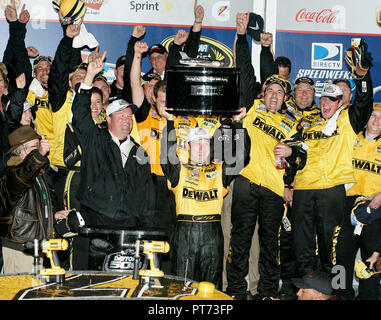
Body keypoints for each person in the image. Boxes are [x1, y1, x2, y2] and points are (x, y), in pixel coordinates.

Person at [225, 13, 307, 300]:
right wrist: (244, 37)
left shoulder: (291, 124)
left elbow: (301, 160)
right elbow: (246, 70)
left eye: (279, 92)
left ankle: (268, 292)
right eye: (270, 90)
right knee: (240, 239)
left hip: (273, 189)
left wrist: (292, 152)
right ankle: (235, 290)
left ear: (286, 98)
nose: (274, 95)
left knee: (271, 244)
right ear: (264, 93)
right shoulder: (252, 108)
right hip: (247, 183)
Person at [292, 40, 374, 279]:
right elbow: (295, 153)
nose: (326, 103)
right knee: (302, 245)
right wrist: (288, 158)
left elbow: (365, 102)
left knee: (332, 249)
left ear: (342, 102)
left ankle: (335, 292)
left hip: (332, 191)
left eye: (333, 99)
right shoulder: (308, 124)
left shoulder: (348, 119)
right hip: (304, 190)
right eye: (324, 99)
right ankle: (307, 289)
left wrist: (362, 76)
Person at [67, 51, 156, 268]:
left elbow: (147, 198)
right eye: (121, 115)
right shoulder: (94, 138)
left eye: (129, 116)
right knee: (95, 285)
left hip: (129, 232)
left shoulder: (140, 153)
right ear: (108, 119)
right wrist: (89, 76)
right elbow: (79, 113)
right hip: (96, 228)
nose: (127, 120)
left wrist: (147, 232)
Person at [160, 103, 249, 289]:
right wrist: (169, 122)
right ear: (188, 147)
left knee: (211, 286)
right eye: (196, 143)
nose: (201, 148)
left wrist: (239, 123)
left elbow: (240, 158)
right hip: (185, 232)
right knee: (182, 286)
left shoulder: (219, 170)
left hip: (212, 233)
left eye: (205, 143)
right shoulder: (179, 171)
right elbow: (167, 156)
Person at [0, 125, 69, 274]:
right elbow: (23, 174)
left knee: (34, 293)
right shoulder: (12, 173)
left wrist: (54, 215)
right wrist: (39, 155)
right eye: (34, 147)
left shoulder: (38, 174)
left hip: (36, 246)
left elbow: (36, 208)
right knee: (19, 293)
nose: (40, 150)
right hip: (19, 246)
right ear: (22, 152)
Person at [334, 104, 381, 300]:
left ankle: (368, 297)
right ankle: (340, 294)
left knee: (370, 259)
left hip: (375, 207)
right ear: (366, 118)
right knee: (340, 255)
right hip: (347, 205)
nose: (376, 120)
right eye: (373, 115)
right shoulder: (351, 138)